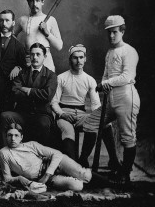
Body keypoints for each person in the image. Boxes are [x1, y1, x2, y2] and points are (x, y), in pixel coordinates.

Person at [79, 15, 140, 185]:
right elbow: (106, 75)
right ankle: (83, 163)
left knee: (127, 136)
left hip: (126, 96)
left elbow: (127, 76)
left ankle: (124, 173)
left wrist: (105, 83)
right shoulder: (110, 52)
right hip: (110, 98)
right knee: (90, 123)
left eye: (114, 32)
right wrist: (103, 85)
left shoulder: (129, 51)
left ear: (122, 31)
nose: (111, 36)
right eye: (109, 33)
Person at [51, 44, 121, 173]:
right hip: (64, 115)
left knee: (101, 124)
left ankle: (86, 159)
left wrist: (100, 118)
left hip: (81, 115)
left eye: (81, 57)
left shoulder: (89, 80)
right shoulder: (61, 78)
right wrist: (62, 114)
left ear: (85, 59)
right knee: (68, 131)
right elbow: (54, 102)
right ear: (70, 59)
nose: (78, 61)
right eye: (75, 58)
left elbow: (95, 104)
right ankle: (72, 164)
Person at [0, 122, 108, 192]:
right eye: (10, 135)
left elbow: (57, 154)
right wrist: (19, 178)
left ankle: (111, 183)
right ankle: (77, 179)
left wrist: (48, 173)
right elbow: (7, 178)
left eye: (16, 135)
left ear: (21, 137)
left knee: (82, 173)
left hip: (55, 163)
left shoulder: (31, 145)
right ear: (6, 136)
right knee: (77, 186)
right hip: (46, 179)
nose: (13, 139)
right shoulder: (4, 153)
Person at [0, 43, 57, 148]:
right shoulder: (21, 73)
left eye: (38, 54)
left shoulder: (51, 75)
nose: (35, 57)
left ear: (45, 57)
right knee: (5, 116)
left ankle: (42, 157)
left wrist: (29, 90)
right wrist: (38, 93)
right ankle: (3, 153)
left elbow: (47, 95)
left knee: (43, 124)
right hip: (23, 114)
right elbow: (15, 92)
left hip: (42, 114)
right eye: (32, 54)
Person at [14, 0, 63, 71]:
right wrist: (21, 51)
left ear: (42, 2)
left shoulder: (51, 20)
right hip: (29, 61)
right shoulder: (22, 20)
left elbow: (59, 46)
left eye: (37, 0)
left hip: (46, 61)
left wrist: (47, 33)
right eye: (31, 1)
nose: (34, 4)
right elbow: (11, 37)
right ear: (28, 2)